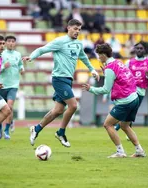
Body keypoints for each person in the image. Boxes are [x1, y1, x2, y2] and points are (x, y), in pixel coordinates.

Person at [22, 19, 100, 147]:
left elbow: (83, 57)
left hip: (68, 79)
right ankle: (61, 132)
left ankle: (36, 129)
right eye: (75, 28)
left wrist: (92, 69)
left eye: (79, 29)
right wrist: (32, 56)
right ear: (68, 27)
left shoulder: (78, 44)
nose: (77, 31)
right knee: (73, 106)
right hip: (59, 79)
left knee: (58, 110)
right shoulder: (60, 41)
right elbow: (43, 49)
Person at [82, 43, 145, 158]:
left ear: (103, 55)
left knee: (107, 124)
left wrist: (90, 89)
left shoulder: (110, 68)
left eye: (99, 55)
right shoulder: (118, 62)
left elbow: (106, 89)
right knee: (125, 126)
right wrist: (106, 71)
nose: (98, 57)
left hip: (125, 101)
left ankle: (120, 152)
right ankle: (139, 150)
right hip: (134, 97)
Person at [115, 42, 148, 133]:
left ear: (145, 50)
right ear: (135, 50)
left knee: (132, 111)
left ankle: (123, 128)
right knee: (129, 109)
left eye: (141, 48)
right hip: (130, 90)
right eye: (137, 48)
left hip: (141, 91)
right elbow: (123, 74)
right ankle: (118, 128)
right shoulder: (129, 62)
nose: (139, 50)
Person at [0, 35, 24, 139]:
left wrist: (22, 69)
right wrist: (3, 67)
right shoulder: (1, 54)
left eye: (13, 41)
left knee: (10, 107)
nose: (11, 43)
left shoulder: (18, 54)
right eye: (9, 41)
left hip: (13, 85)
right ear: (6, 43)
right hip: (1, 85)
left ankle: (6, 130)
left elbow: (20, 64)